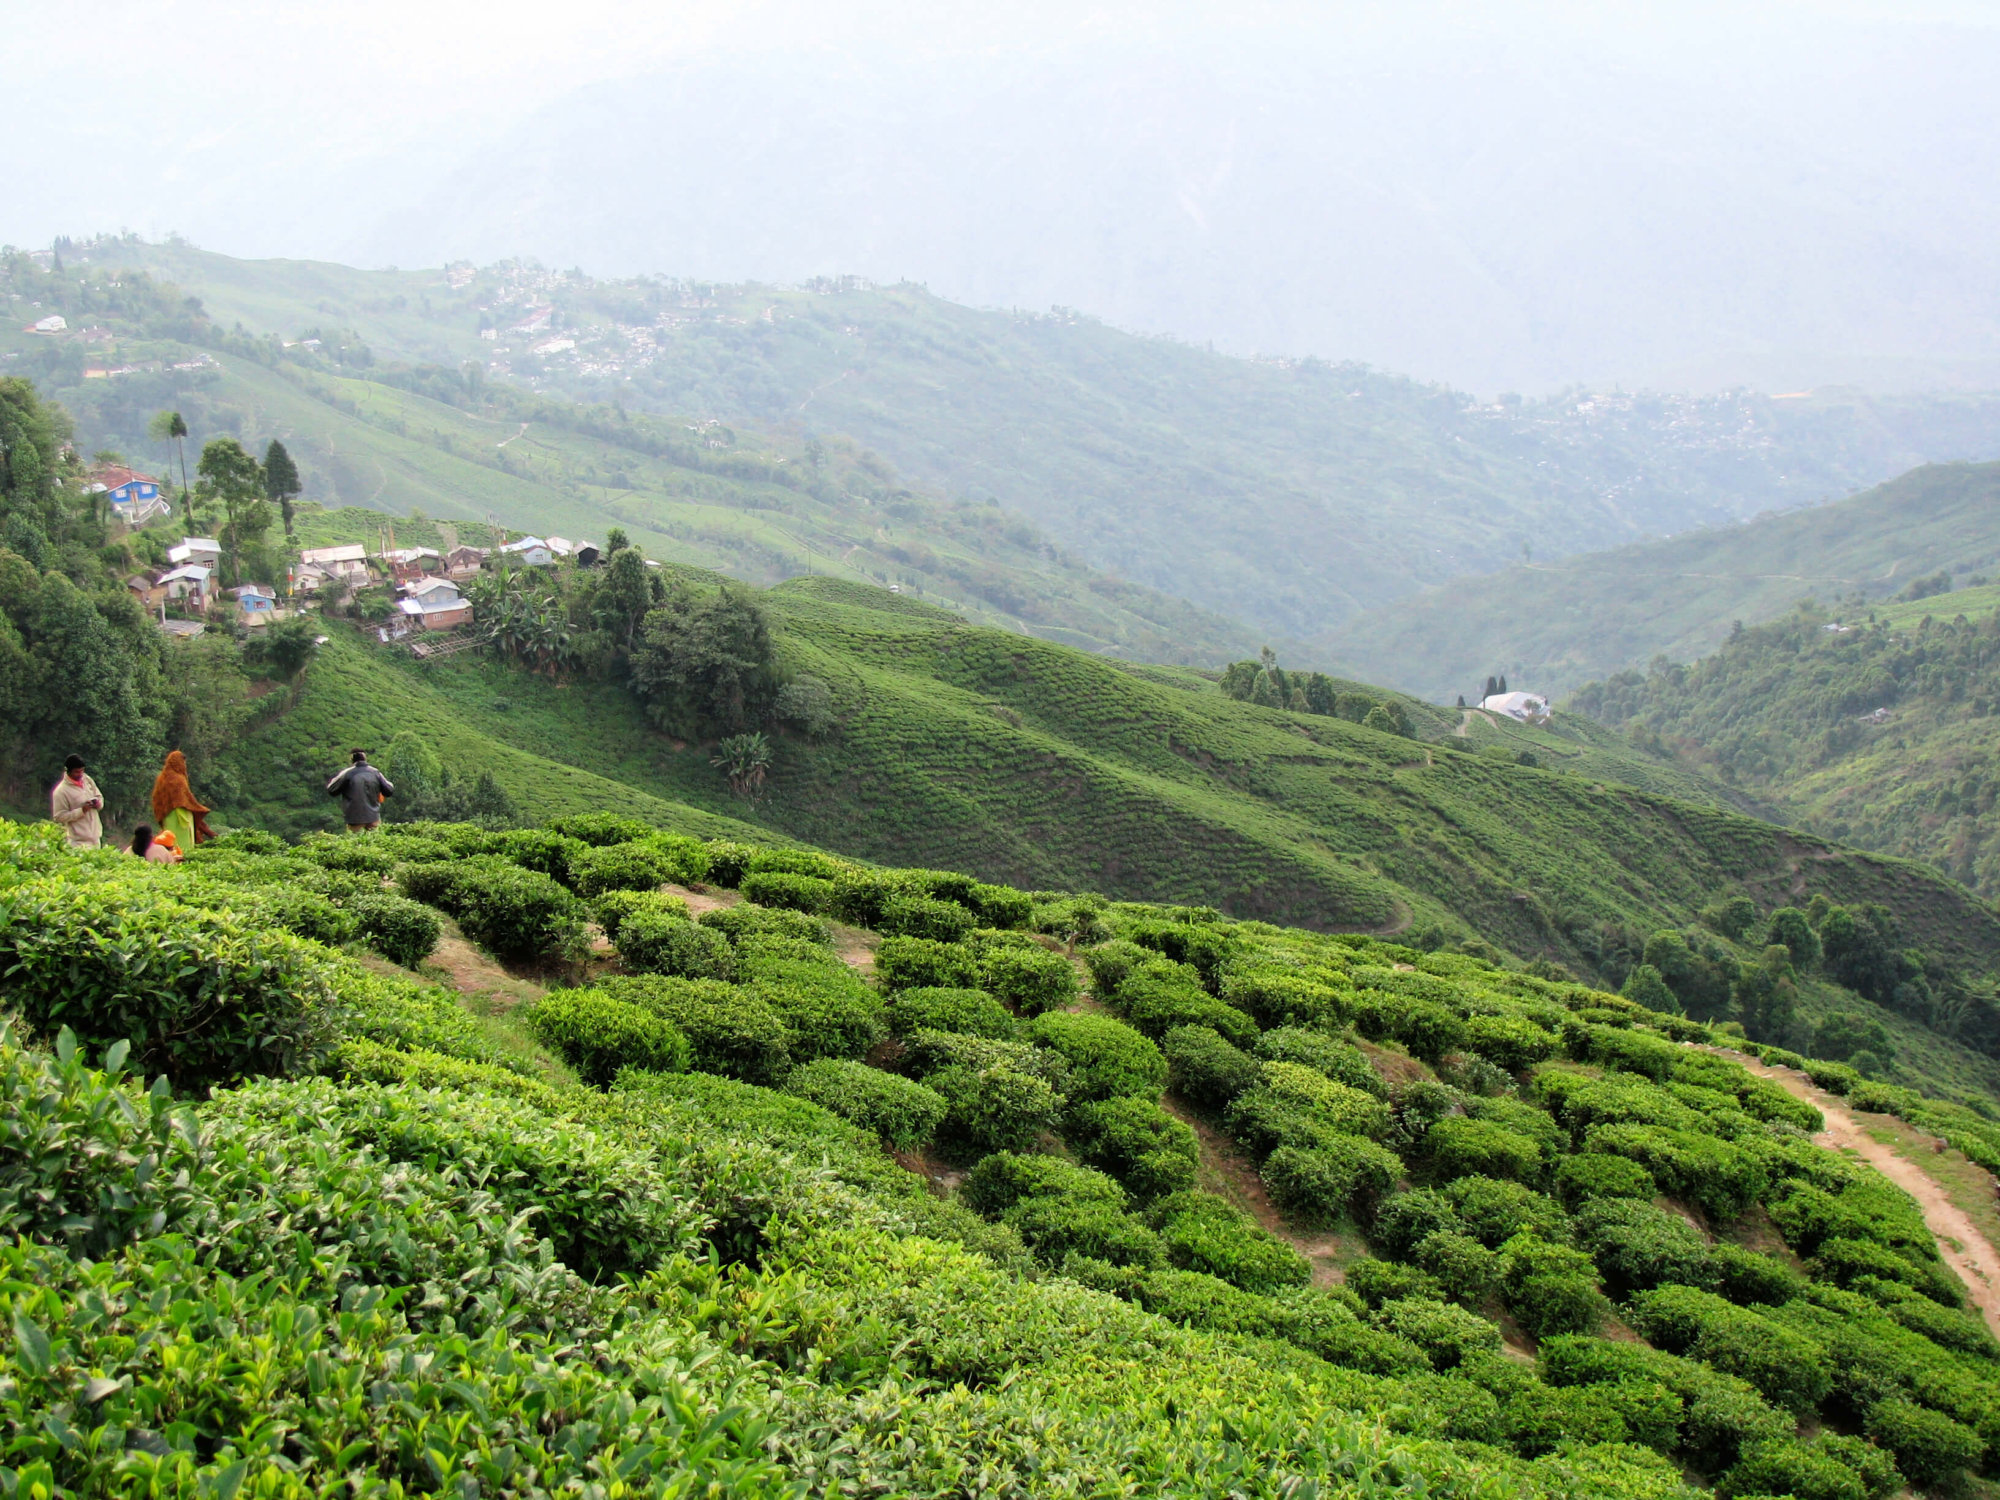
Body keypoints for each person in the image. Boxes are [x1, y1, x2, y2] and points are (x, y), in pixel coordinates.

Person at [151, 749, 216, 849]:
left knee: (170, 840)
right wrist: (199, 808)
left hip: (167, 816)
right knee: (183, 842)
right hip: (180, 815)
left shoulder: (162, 778)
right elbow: (184, 800)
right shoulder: (178, 779)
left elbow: (157, 800)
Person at [326, 748, 394, 832]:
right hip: (373, 817)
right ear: (365, 758)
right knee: (375, 841)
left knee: (356, 842)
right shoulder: (375, 772)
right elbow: (389, 790)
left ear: (351, 759)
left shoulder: (347, 773)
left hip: (354, 819)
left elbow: (331, 790)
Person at [50, 755, 104, 848]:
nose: (80, 774)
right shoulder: (61, 791)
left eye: (82, 771)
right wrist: (82, 810)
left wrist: (98, 803)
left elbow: (99, 796)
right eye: (76, 772)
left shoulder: (87, 779)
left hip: (96, 838)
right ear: (68, 771)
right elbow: (59, 817)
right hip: (78, 842)